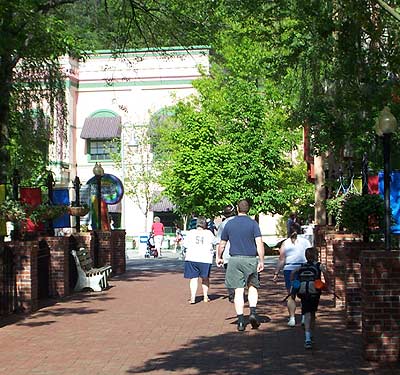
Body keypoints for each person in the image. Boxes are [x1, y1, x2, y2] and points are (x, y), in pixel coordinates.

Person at [217, 199, 265, 332]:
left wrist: (219, 257)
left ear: (237, 209)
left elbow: (222, 243)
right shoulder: (253, 224)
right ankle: (253, 312)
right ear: (248, 209)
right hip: (250, 259)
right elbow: (259, 243)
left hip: (234, 260)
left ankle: (240, 321)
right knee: (252, 287)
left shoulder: (230, 224)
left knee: (238, 290)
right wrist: (261, 260)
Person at [290, 247, 330, 349]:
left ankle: (308, 337)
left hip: (303, 292)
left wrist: (293, 283)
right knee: (312, 313)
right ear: (316, 255)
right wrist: (326, 284)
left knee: (307, 312)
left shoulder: (302, 266)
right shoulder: (318, 265)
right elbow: (325, 272)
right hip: (314, 291)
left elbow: (293, 273)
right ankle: (310, 335)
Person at [273, 224, 311, 327]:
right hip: (303, 269)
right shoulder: (306, 242)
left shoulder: (285, 243)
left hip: (289, 269)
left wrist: (276, 273)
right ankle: (304, 317)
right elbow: (311, 255)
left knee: (291, 295)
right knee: (304, 294)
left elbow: (281, 259)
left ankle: (292, 318)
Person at [183, 216, 215, 304]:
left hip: (192, 257)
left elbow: (185, 244)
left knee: (193, 278)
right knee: (205, 278)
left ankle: (193, 297)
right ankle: (205, 296)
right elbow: (215, 242)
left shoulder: (190, 233)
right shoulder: (209, 233)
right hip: (205, 258)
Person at [214, 204, 237, 302]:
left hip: (227, 254)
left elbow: (220, 242)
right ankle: (239, 292)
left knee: (229, 275)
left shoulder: (223, 225)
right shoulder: (241, 221)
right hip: (242, 252)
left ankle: (232, 294)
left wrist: (218, 256)